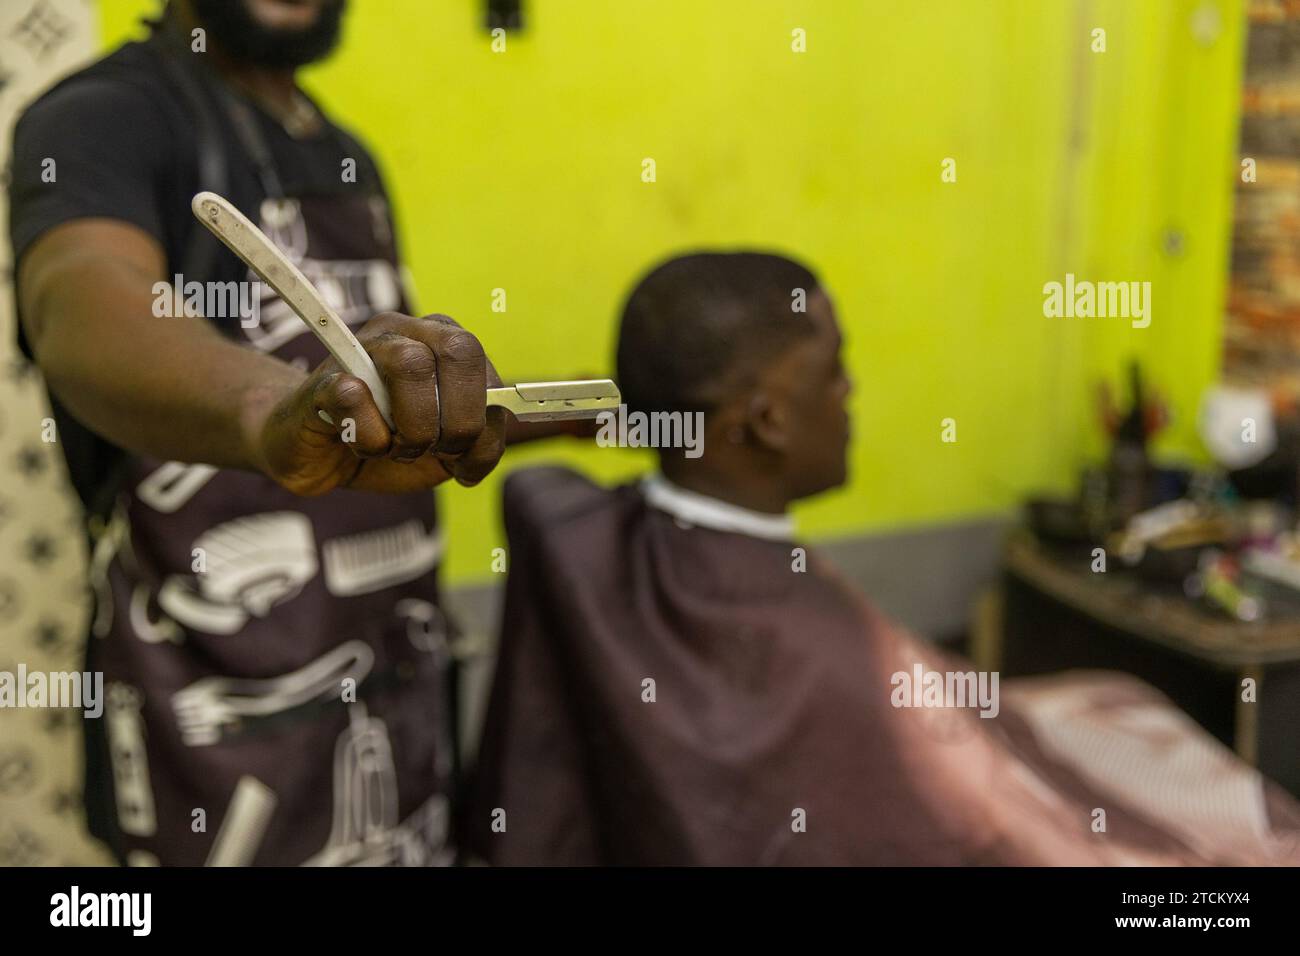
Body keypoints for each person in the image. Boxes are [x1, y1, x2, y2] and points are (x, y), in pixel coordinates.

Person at [463, 252, 1300, 865]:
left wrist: (612, 408)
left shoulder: (566, 530)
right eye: (834, 373)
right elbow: (999, 833)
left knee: (1109, 703)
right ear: (765, 423)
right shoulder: (840, 670)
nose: (851, 394)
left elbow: (525, 457)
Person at [10, 0, 507, 866]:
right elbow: (83, 303)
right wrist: (272, 408)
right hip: (218, 742)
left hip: (393, 705)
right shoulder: (101, 116)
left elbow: (387, 410)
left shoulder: (344, 152)